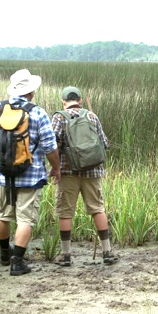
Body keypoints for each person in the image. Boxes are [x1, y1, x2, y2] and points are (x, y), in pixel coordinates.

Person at [0, 69, 61, 276]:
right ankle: (17, 262)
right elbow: (50, 147)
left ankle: (5, 255)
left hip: (1, 175)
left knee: (3, 215)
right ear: (31, 92)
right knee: (25, 219)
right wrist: (56, 169)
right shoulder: (38, 112)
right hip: (30, 176)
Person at [51, 86, 119, 266]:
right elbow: (104, 143)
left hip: (67, 172)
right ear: (80, 100)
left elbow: (53, 145)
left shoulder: (59, 117)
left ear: (64, 102)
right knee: (97, 208)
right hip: (92, 171)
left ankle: (65, 255)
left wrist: (55, 168)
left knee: (65, 211)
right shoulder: (91, 116)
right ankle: (107, 251)